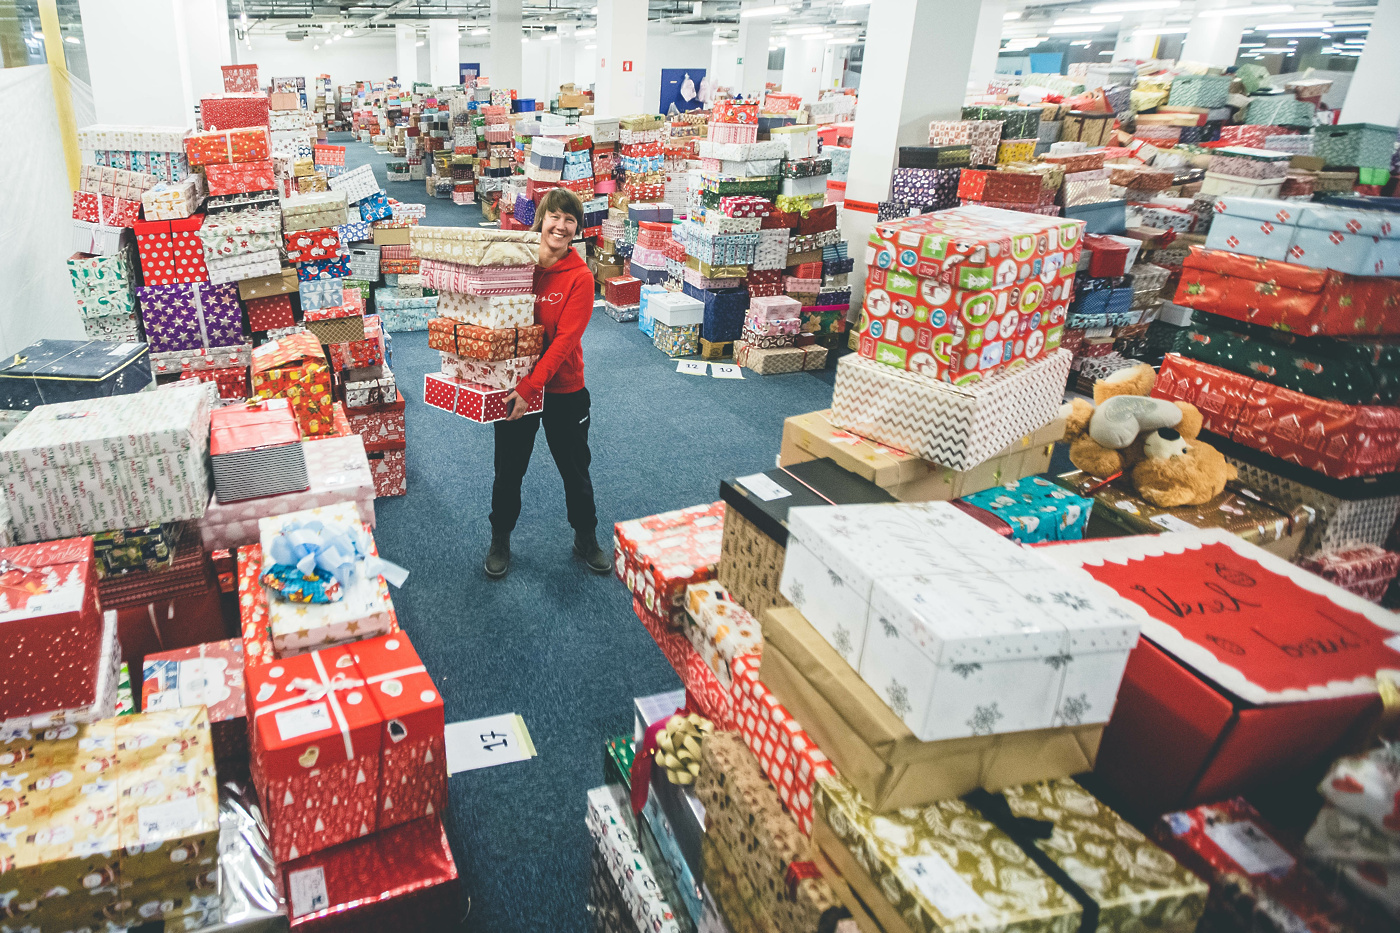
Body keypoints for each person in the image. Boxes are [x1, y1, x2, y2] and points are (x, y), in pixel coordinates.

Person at [485, 187, 611, 580]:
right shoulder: (516, 263)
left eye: (570, 220)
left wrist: (530, 388)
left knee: (575, 468)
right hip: (512, 383)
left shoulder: (580, 278)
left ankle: (585, 536)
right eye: (555, 216)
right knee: (508, 469)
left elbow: (563, 343)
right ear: (542, 220)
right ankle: (500, 538)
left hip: (563, 388)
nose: (561, 225)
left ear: (577, 229)